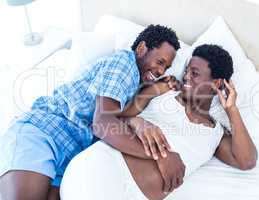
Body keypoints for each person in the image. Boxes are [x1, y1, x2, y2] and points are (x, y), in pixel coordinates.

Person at [0, 25, 181, 200]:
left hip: (67, 154)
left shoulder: (132, 82)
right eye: (160, 62)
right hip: (45, 132)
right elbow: (102, 124)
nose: (160, 71)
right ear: (141, 48)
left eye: (165, 68)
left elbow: (120, 113)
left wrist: (154, 91)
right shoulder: (124, 64)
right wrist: (160, 156)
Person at [60, 44, 258, 200]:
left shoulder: (216, 134)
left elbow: (247, 161)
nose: (186, 76)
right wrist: (138, 122)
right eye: (187, 70)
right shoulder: (164, 92)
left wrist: (231, 110)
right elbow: (114, 118)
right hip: (101, 169)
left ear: (216, 83)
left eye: (195, 73)